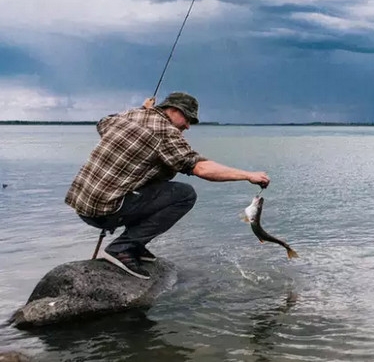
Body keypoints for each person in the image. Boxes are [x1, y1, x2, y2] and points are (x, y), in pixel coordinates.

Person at [65, 92, 270, 279]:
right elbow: (201, 168)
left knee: (159, 176)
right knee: (184, 194)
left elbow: (103, 123)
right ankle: (123, 248)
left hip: (83, 208)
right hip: (108, 211)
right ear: (173, 110)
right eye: (188, 119)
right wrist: (247, 175)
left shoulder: (127, 116)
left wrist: (142, 110)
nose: (188, 126)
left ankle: (134, 244)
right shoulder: (165, 132)